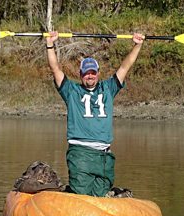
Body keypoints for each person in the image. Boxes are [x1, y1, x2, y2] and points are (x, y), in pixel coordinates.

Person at [46, 31, 144, 197]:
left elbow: (125, 66)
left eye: (92, 72)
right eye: (86, 73)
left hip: (104, 155)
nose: (90, 76)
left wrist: (138, 45)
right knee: (83, 195)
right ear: (81, 74)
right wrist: (50, 45)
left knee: (101, 194)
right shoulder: (71, 91)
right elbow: (55, 68)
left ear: (98, 73)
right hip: (80, 154)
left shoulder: (108, 88)